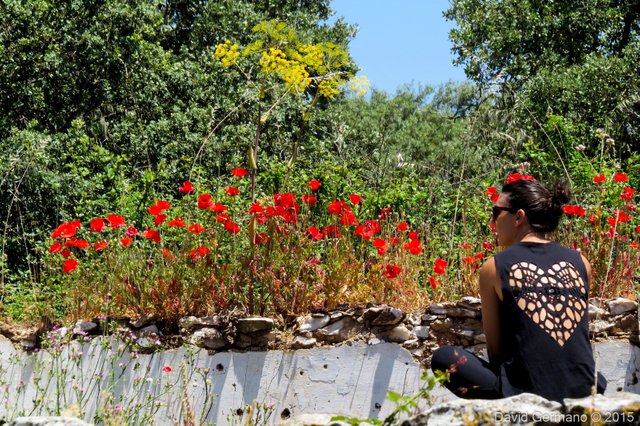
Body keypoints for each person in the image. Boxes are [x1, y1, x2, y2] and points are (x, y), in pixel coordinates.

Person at [430, 177, 606, 401]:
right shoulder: (581, 262)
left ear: (519, 217)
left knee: (444, 358)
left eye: (496, 212)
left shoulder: (494, 267)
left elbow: (496, 351)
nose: (491, 220)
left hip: (527, 390)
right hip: (582, 387)